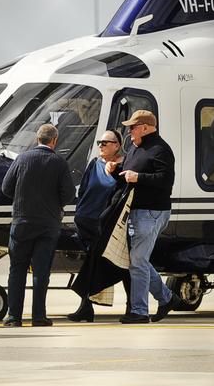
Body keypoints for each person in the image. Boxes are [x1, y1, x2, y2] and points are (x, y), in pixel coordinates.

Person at [1, 124, 75, 327]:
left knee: (17, 269)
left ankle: (14, 317)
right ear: (54, 140)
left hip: (22, 221)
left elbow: (6, 188)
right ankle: (39, 316)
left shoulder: (22, 159)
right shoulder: (59, 162)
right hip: (47, 224)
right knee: (41, 272)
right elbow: (69, 193)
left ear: (37, 139)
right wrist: (55, 204)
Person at [114, 110, 181, 324]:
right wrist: (115, 170)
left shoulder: (160, 149)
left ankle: (139, 311)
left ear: (145, 127)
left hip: (151, 212)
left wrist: (138, 177)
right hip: (137, 212)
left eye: (132, 127)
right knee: (139, 260)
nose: (129, 131)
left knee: (138, 261)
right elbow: (129, 173)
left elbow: (165, 180)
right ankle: (167, 298)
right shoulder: (136, 148)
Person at [68, 129, 126, 322]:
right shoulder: (94, 164)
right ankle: (86, 307)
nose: (100, 145)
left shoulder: (123, 167)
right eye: (100, 142)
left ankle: (133, 306)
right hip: (86, 222)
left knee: (118, 265)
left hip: (106, 225)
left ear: (117, 146)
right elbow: (84, 189)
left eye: (105, 142)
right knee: (91, 262)